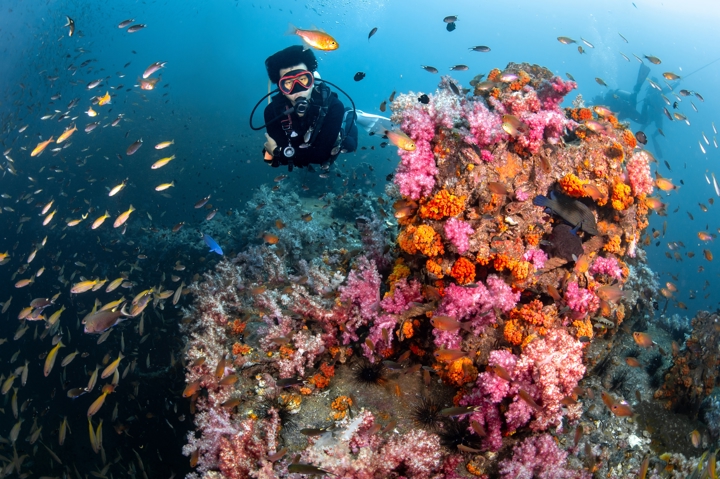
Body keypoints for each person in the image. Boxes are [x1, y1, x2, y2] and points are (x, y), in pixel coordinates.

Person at [262, 45, 358, 171]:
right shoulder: (272, 112)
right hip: (300, 143)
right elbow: (275, 159)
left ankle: (350, 114)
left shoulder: (334, 106)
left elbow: (321, 155)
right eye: (288, 83)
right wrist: (278, 154)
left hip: (325, 137)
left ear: (312, 80)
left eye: (302, 79)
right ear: (281, 89)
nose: (298, 89)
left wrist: (279, 152)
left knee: (350, 145)